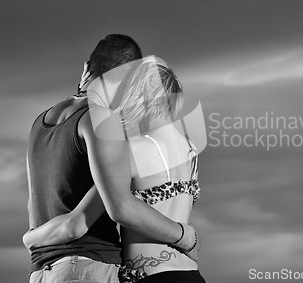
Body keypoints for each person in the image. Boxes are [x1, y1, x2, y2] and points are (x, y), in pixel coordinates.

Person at [25, 35, 201, 283]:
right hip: (93, 268)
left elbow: (38, 207)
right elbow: (117, 206)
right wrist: (186, 237)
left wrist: (30, 239)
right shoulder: (188, 150)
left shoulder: (39, 124)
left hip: (44, 271)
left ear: (87, 67)